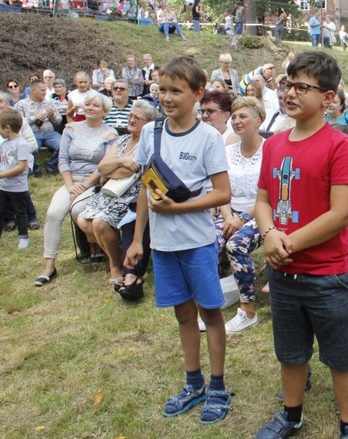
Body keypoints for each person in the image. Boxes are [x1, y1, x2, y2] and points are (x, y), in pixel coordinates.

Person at [254, 51, 348, 439]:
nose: (290, 93)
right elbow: (264, 198)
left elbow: (341, 214)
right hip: (283, 274)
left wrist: (287, 243)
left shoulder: (339, 146)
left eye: (303, 86)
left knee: (340, 355)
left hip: (326, 275)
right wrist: (270, 235)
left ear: (329, 97)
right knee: (291, 352)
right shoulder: (273, 145)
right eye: (287, 84)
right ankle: (291, 414)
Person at [124, 56, 233, 424]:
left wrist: (177, 210)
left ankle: (217, 387)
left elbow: (222, 194)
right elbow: (145, 187)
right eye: (162, 90)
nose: (167, 98)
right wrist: (138, 240)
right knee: (184, 315)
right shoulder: (152, 133)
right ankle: (194, 383)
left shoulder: (209, 138)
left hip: (197, 242)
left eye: (176, 90)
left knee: (210, 314)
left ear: (198, 94)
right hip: (163, 246)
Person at [35, 93, 118, 287]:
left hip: (94, 182)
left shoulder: (111, 133)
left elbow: (104, 166)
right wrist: (70, 185)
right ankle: (49, 265)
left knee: (78, 211)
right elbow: (63, 160)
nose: (89, 108)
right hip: (70, 181)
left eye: (95, 106)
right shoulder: (70, 128)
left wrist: (85, 186)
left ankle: (111, 256)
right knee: (53, 213)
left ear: (105, 112)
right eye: (87, 104)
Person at [77, 101, 157, 285]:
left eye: (137, 118)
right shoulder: (121, 140)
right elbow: (101, 167)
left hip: (130, 196)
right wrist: (121, 161)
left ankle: (115, 264)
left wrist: (111, 170)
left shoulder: (148, 143)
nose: (131, 120)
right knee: (82, 219)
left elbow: (128, 172)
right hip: (109, 191)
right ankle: (119, 254)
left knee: (99, 223)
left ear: (148, 123)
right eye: (130, 116)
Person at [214, 96, 266, 333]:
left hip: (262, 213)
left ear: (258, 121)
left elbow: (271, 194)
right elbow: (221, 190)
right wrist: (227, 216)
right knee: (208, 242)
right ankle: (211, 304)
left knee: (235, 245)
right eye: (233, 116)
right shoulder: (228, 151)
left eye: (243, 116)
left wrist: (242, 217)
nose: (236, 121)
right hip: (229, 211)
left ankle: (248, 310)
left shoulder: (270, 151)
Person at [0, 92, 38, 232]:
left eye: (0, 102)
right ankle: (9, 218)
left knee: (18, 189)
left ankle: (31, 216)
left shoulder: (18, 121)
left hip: (19, 164)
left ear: (7, 103)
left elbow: (32, 144)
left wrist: (15, 152)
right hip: (3, 166)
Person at [14, 78, 62, 176]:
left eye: (45, 90)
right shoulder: (21, 104)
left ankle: (51, 167)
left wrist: (53, 115)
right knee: (31, 148)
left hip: (50, 133)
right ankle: (35, 170)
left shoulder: (49, 103)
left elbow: (59, 120)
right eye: (43, 90)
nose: (45, 92)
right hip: (33, 134)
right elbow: (17, 122)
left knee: (63, 146)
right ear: (33, 90)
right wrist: (33, 118)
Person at [0, 109, 32, 249]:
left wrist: (1, 175)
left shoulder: (22, 144)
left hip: (17, 187)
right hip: (3, 186)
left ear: (7, 128)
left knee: (20, 212)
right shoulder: (4, 144)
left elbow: (21, 167)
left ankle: (23, 237)